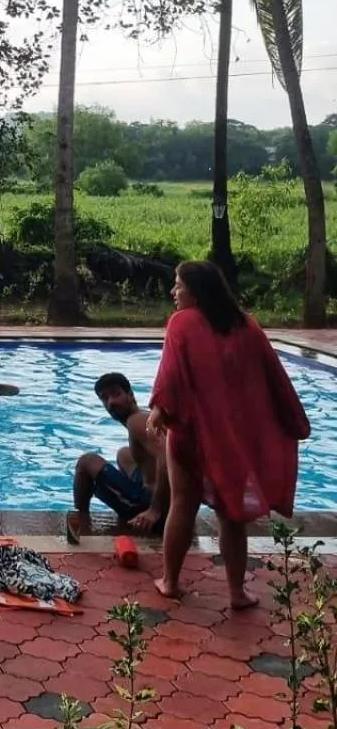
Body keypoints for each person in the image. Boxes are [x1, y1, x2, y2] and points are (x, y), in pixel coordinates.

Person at [148, 260, 310, 608]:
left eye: (178, 285)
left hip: (192, 433)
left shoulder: (182, 323)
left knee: (182, 504)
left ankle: (170, 582)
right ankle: (237, 592)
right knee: (231, 514)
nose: (173, 292)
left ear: (197, 290)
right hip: (233, 441)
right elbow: (275, 378)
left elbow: (171, 375)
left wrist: (160, 410)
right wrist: (294, 421)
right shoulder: (246, 326)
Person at [66, 372, 168, 542]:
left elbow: (169, 459)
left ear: (130, 395)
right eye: (104, 398)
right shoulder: (144, 417)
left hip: (156, 513)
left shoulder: (136, 421)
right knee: (124, 454)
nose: (110, 402)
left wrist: (154, 510)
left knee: (87, 462)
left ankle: (80, 522)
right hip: (167, 502)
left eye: (115, 394)